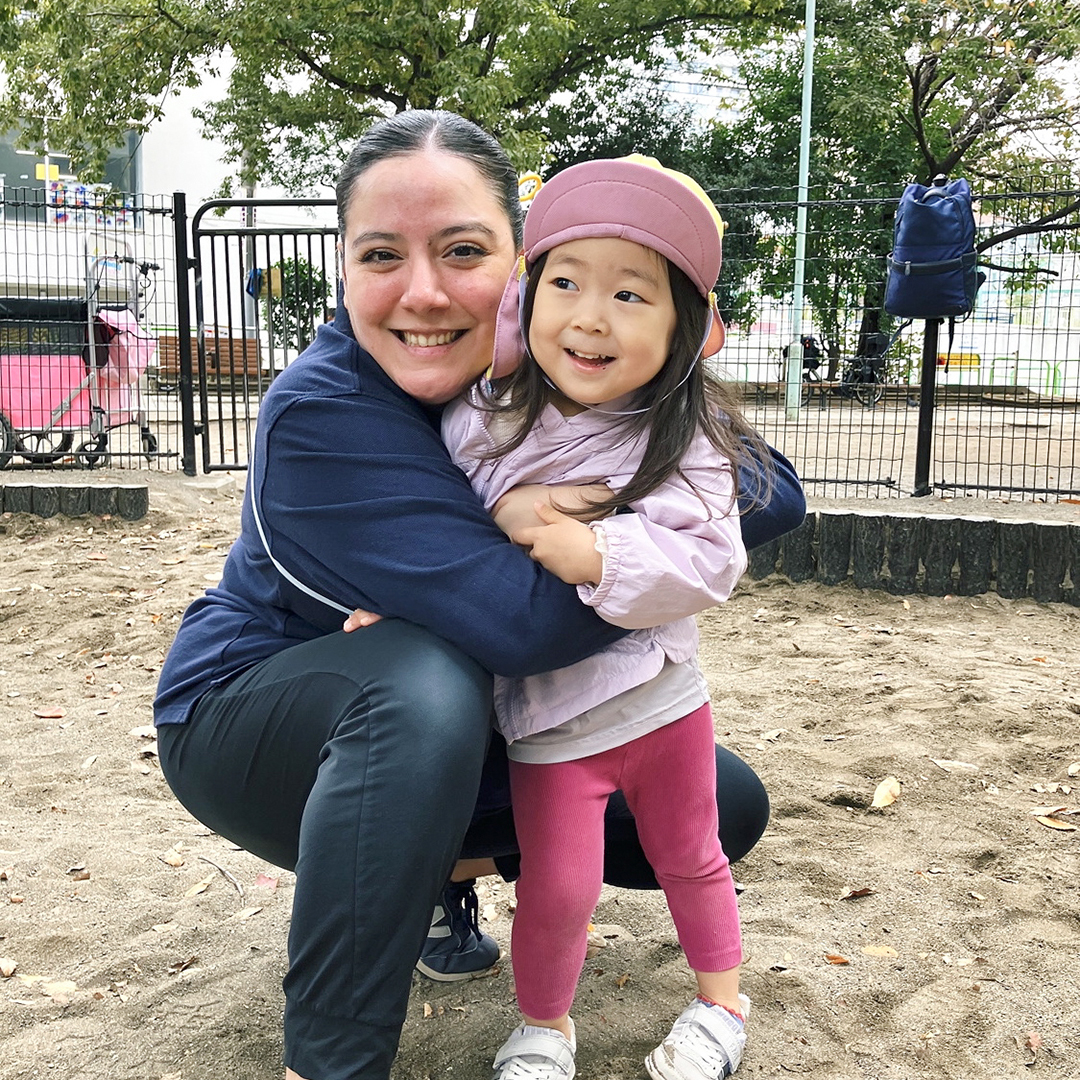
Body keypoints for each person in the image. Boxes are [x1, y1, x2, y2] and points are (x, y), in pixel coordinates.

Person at [152, 110, 805, 1080]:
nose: (422, 292)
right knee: (421, 679)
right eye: (381, 254)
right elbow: (525, 625)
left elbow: (771, 487)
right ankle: (330, 1060)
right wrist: (618, 541)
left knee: (722, 801)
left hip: (469, 711)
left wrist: (582, 524)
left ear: (520, 266)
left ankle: (433, 866)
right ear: (344, 270)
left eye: (462, 251)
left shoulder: (552, 366)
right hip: (258, 719)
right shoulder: (324, 413)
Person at [436, 156, 764, 1080]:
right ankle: (545, 1027)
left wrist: (603, 553)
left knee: (692, 854)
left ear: (684, 326)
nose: (590, 317)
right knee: (558, 887)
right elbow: (437, 528)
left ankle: (722, 1005)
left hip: (661, 699)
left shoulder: (686, 433)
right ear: (524, 298)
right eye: (566, 283)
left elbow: (712, 558)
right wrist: (413, 580)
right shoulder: (482, 419)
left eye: (630, 294)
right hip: (547, 719)